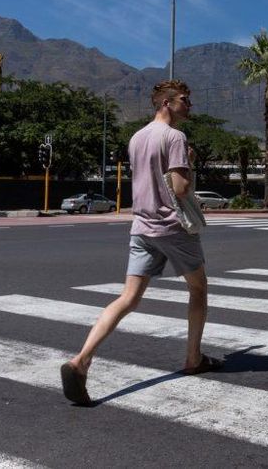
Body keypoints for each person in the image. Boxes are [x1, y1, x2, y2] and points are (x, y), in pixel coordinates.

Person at [60, 80, 223, 406]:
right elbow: (179, 188)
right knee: (199, 289)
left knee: (128, 298)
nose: (189, 105)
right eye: (184, 100)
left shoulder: (136, 137)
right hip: (173, 228)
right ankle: (193, 358)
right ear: (165, 102)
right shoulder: (175, 137)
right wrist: (188, 163)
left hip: (142, 228)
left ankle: (81, 360)